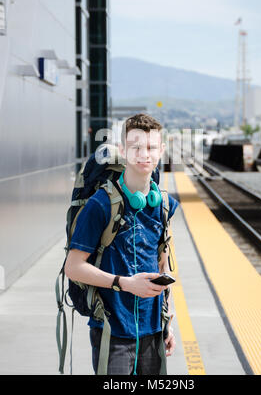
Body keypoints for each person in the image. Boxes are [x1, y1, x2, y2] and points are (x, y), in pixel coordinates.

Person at [65, 113, 179, 375]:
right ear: (123, 150)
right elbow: (73, 267)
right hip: (112, 329)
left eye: (151, 147)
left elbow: (163, 267)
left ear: (161, 151)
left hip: (153, 331)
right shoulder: (100, 205)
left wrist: (168, 322)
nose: (144, 154)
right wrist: (124, 283)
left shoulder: (163, 205)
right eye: (136, 147)